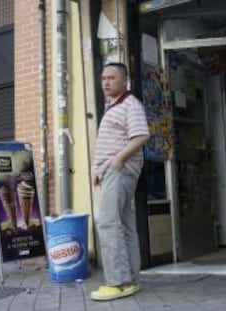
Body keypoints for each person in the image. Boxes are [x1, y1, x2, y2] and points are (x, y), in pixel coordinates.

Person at [90, 62, 150, 301]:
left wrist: (116, 161)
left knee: (107, 223)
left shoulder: (130, 104)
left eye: (111, 78)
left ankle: (117, 282)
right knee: (124, 225)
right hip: (113, 171)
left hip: (120, 171)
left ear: (124, 81)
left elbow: (142, 135)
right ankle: (130, 279)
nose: (106, 82)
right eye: (103, 78)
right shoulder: (112, 105)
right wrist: (98, 169)